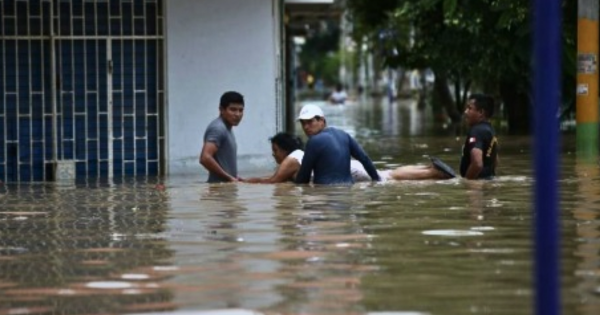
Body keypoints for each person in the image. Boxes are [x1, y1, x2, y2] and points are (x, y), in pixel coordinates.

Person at [244, 132, 454, 184]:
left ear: (284, 149)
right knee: (388, 175)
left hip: (347, 171)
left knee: (389, 178)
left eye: (275, 150)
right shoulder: (298, 156)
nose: (274, 155)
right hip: (345, 168)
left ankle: (432, 172)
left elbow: (272, 182)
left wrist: (243, 183)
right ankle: (427, 168)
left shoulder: (291, 159)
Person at [294, 104, 380, 185]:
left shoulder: (313, 142)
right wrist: (377, 180)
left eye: (309, 122)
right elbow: (365, 159)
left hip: (325, 193)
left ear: (322, 121)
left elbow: (303, 179)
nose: (306, 127)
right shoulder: (344, 135)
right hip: (347, 191)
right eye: (303, 123)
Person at [199, 91, 245, 183]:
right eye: (233, 109)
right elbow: (205, 158)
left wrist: (233, 177)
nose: (237, 114)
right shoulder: (218, 128)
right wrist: (229, 178)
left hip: (225, 188)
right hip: (219, 190)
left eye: (241, 110)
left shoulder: (226, 128)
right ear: (221, 110)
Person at [460, 93, 499, 179]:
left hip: (476, 185)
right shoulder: (490, 130)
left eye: (469, 108)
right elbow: (495, 161)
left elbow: (477, 164)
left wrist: (466, 183)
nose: (465, 112)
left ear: (481, 112)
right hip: (488, 181)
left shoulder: (476, 131)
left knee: (437, 171)